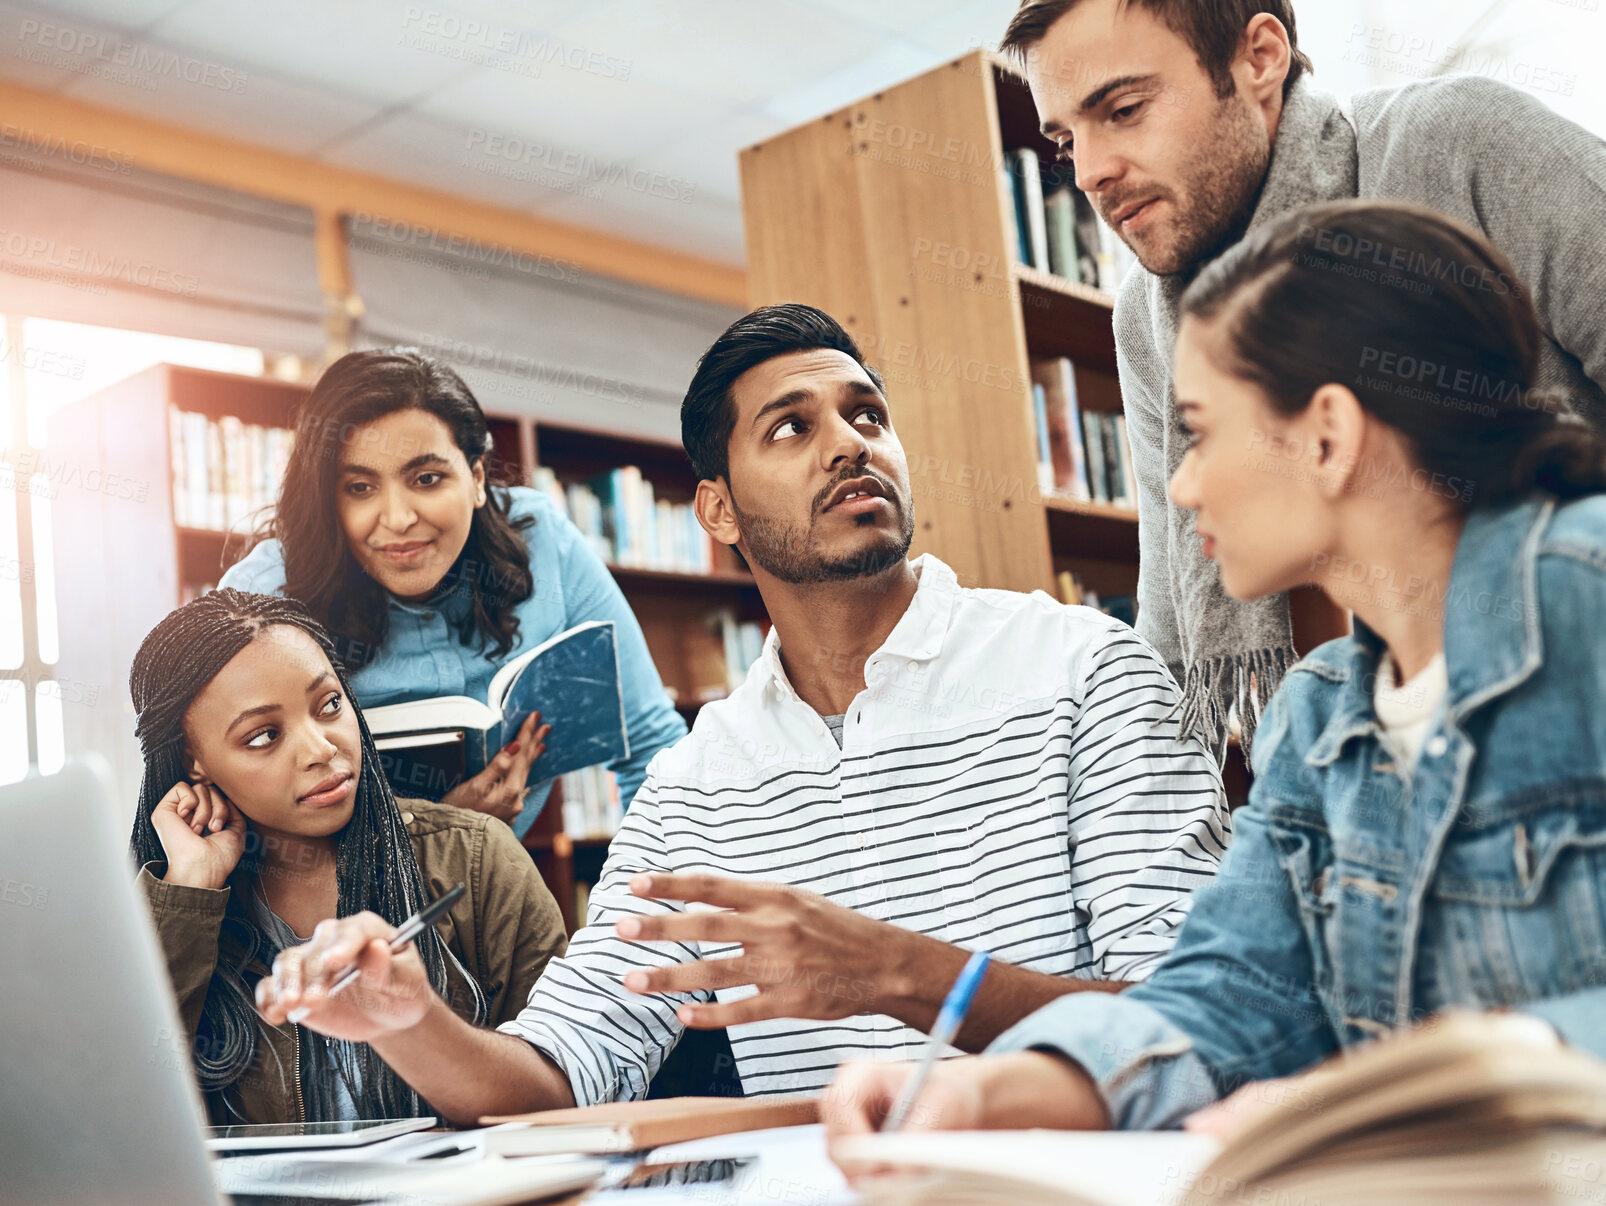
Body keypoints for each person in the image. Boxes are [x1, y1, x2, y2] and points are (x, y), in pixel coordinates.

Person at [246, 303, 1229, 1121]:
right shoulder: (694, 791)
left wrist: (897, 972)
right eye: (792, 428)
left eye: (868, 416)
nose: (850, 443)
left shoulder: (1084, 668)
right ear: (716, 512)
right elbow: (556, 1077)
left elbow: (1208, 1022)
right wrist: (406, 1018)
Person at [823, 201, 1606, 1140]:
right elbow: (1231, 996)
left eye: (1201, 432)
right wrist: (994, 1089)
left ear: (1328, 436)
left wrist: (1440, 1083)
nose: (1181, 485)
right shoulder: (1319, 716)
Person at [999, 0, 1606, 758]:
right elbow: (1172, 630)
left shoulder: (1465, 144)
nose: (1088, 172)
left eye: (1124, 109)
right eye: (1065, 140)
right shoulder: (1146, 318)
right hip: (1346, 766)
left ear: (1260, 58)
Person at [129, 589, 567, 1124]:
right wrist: (191, 891)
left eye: (329, 705)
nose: (321, 749)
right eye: (264, 735)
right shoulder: (167, 907)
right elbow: (122, 1121)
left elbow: (562, 1090)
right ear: (195, 762)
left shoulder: (478, 862)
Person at [218, 348, 686, 837]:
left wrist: (641, 899)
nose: (398, 520)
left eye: (426, 479)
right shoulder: (263, 594)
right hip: (331, 910)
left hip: (500, 897)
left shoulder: (543, 539)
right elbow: (229, 816)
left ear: (477, 478)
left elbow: (655, 747)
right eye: (359, 487)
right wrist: (443, 834)